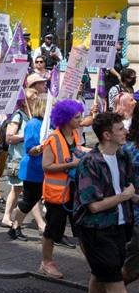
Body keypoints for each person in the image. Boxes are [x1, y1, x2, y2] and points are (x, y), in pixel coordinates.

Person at [70, 112, 138, 293]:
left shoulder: (122, 157)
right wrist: (124, 197)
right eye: (121, 128)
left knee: (98, 290)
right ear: (107, 134)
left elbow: (128, 192)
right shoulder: (90, 161)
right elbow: (94, 205)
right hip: (96, 231)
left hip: (119, 228)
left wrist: (128, 197)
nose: (126, 131)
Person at [39, 100, 85, 278]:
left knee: (81, 228)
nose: (80, 120)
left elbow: (75, 153)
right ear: (66, 119)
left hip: (73, 191)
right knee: (53, 230)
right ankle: (46, 263)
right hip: (57, 193)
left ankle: (96, 264)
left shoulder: (74, 134)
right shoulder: (53, 138)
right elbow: (46, 166)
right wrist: (72, 164)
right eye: (77, 117)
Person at [8, 95, 47, 242]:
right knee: (28, 202)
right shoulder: (33, 124)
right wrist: (42, 147)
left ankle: (17, 227)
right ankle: (15, 227)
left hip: (44, 169)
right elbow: (30, 149)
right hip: (33, 169)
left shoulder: (47, 123)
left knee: (34, 200)